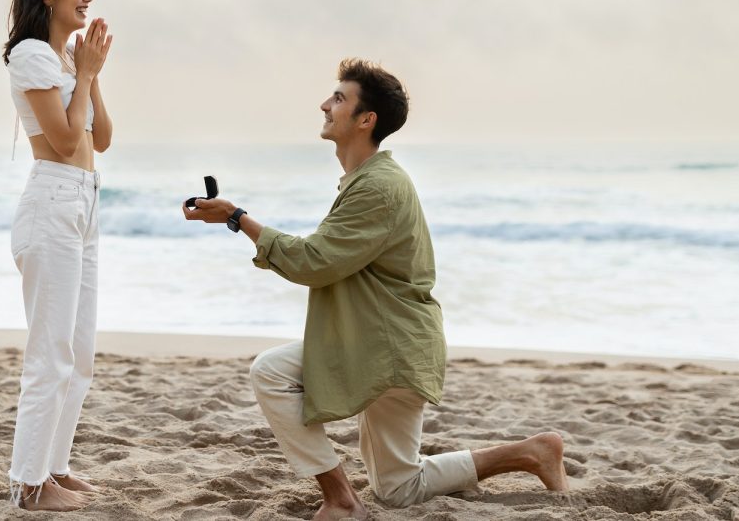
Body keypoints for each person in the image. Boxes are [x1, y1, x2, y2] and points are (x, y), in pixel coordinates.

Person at [182, 59, 568, 520]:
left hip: (386, 346)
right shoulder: (368, 181)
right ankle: (531, 452)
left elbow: (313, 262)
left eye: (339, 98)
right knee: (400, 489)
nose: (325, 105)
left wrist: (235, 217)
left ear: (367, 120)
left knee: (271, 371)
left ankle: (341, 499)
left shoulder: (378, 188)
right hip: (395, 342)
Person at [2, 0, 113, 512]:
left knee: (81, 352)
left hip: (85, 204)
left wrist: (87, 73)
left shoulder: (66, 60)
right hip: (51, 202)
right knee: (51, 354)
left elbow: (104, 137)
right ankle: (28, 485)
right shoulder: (29, 56)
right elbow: (67, 144)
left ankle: (55, 468)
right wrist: (85, 71)